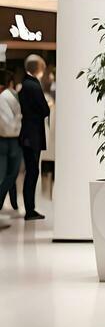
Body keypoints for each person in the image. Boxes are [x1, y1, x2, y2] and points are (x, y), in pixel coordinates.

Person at [17, 54, 50, 220]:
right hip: (33, 135)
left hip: (28, 134)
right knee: (32, 172)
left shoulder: (25, 84)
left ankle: (30, 208)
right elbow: (45, 110)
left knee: (31, 172)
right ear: (39, 69)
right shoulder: (33, 85)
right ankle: (30, 210)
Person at [0, 70, 23, 216]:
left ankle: (13, 203)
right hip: (11, 139)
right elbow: (11, 121)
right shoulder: (9, 96)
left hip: (3, 139)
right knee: (11, 173)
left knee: (7, 174)